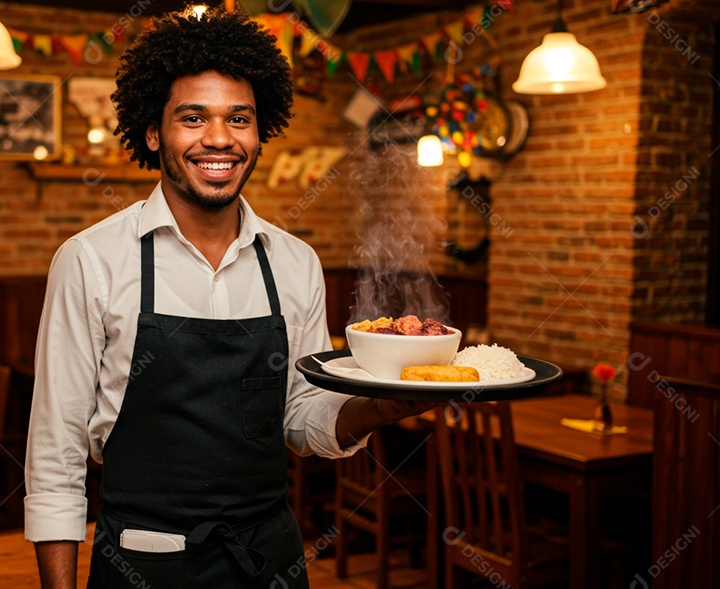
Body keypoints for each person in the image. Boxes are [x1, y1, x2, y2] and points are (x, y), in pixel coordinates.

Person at [25, 8, 434, 588]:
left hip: (271, 560)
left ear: (258, 133)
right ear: (152, 132)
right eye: (193, 118)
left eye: (238, 118)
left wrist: (384, 406)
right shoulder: (91, 260)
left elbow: (302, 418)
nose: (219, 138)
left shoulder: (295, 262)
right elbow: (56, 451)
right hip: (143, 562)